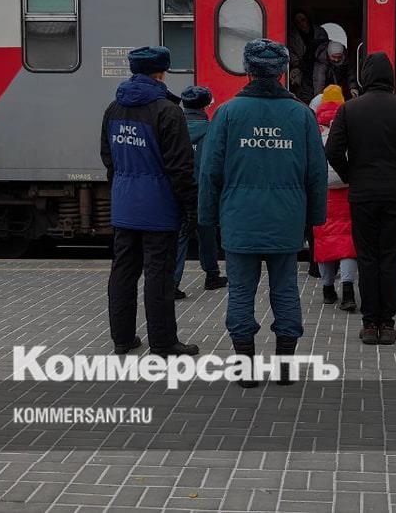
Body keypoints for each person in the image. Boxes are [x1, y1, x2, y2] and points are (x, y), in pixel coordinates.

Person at [199, 38, 327, 387]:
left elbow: (210, 172)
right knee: (285, 291)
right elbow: (317, 174)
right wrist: (315, 219)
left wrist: (207, 218)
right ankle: (285, 368)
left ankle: (245, 370)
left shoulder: (227, 113)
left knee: (241, 293)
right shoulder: (302, 115)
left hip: (239, 220)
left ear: (248, 70)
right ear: (282, 71)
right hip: (286, 221)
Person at [326, 52, 396, 345]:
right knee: (390, 258)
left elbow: (332, 150)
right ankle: (386, 324)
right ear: (391, 78)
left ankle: (369, 323)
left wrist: (351, 176)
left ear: (365, 77)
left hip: (362, 195)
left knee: (367, 258)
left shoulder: (349, 109)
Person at [99, 47, 200, 357]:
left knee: (123, 271)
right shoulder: (167, 111)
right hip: (159, 207)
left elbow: (107, 157)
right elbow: (180, 167)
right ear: (160, 73)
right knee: (159, 275)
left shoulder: (113, 108)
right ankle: (163, 342)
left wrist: (122, 187)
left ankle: (122, 339)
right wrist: (191, 206)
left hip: (124, 204)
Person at [172, 85, 227, 299]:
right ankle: (212, 276)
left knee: (181, 235)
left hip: (178, 190)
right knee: (207, 233)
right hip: (204, 191)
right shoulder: (212, 130)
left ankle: (172, 283)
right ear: (205, 106)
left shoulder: (174, 127)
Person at [312, 85, 358, 311]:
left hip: (323, 197)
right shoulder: (348, 129)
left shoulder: (315, 133)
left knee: (324, 242)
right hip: (347, 195)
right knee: (348, 243)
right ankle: (348, 291)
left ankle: (327, 290)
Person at [288, 10, 318, 100]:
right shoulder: (292, 36)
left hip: (318, 64)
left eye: (303, 20)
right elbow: (290, 51)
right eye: (298, 22)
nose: (301, 23)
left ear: (308, 19)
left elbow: (325, 47)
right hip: (301, 67)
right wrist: (298, 63)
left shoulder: (319, 32)